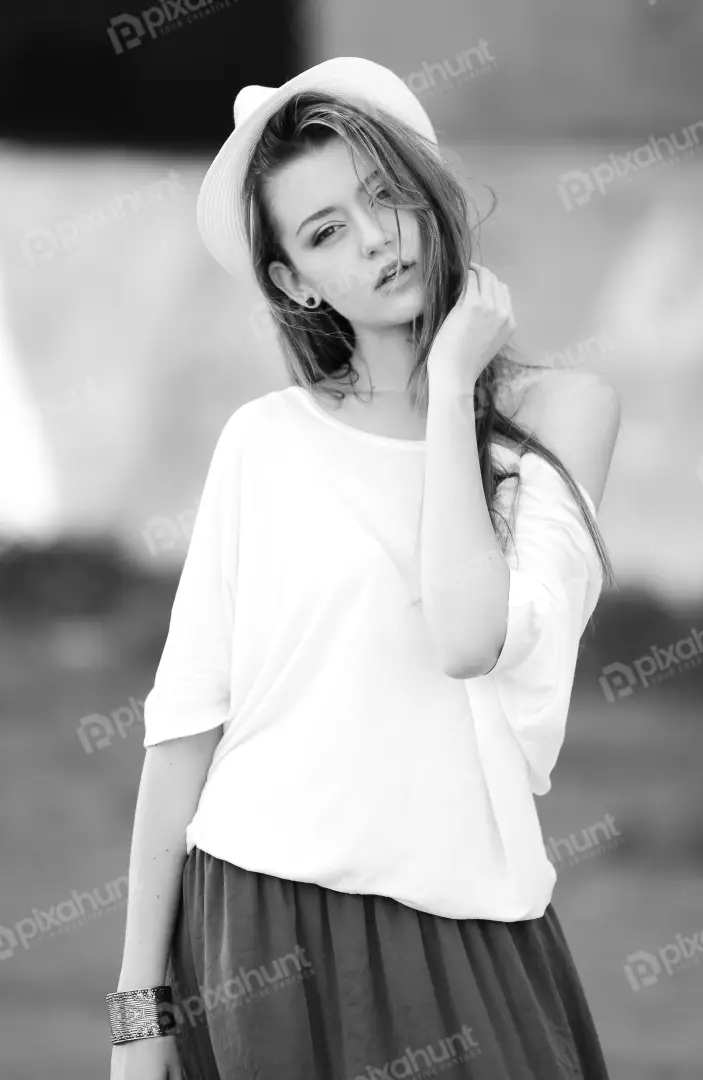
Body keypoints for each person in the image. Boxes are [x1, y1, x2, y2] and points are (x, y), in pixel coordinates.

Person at [108, 57, 621, 1080]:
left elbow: (468, 635)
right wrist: (139, 1015)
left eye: (383, 195)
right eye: (325, 230)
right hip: (256, 920)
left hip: (477, 921)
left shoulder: (559, 418)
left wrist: (449, 390)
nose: (376, 236)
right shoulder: (264, 443)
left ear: (426, 193)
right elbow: (184, 732)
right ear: (295, 282)